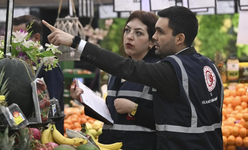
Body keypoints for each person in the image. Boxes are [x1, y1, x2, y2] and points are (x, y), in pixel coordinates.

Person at [43, 6, 224, 150]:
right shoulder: (208, 66)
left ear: (179, 39)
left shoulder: (170, 69)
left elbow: (125, 67)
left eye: (160, 32)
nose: (155, 37)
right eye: (127, 30)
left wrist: (76, 42)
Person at [71, 10, 160, 150]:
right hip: (108, 144)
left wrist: (134, 109)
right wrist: (85, 100)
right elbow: (112, 115)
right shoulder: (116, 71)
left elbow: (167, 119)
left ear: (151, 42)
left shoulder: (155, 71)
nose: (129, 37)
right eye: (127, 30)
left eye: (138, 33)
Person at [13, 15, 65, 135]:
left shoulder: (48, 63)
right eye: (13, 38)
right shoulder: (18, 62)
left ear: (36, 38)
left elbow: (52, 104)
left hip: (47, 134)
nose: (15, 43)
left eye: (20, 38)